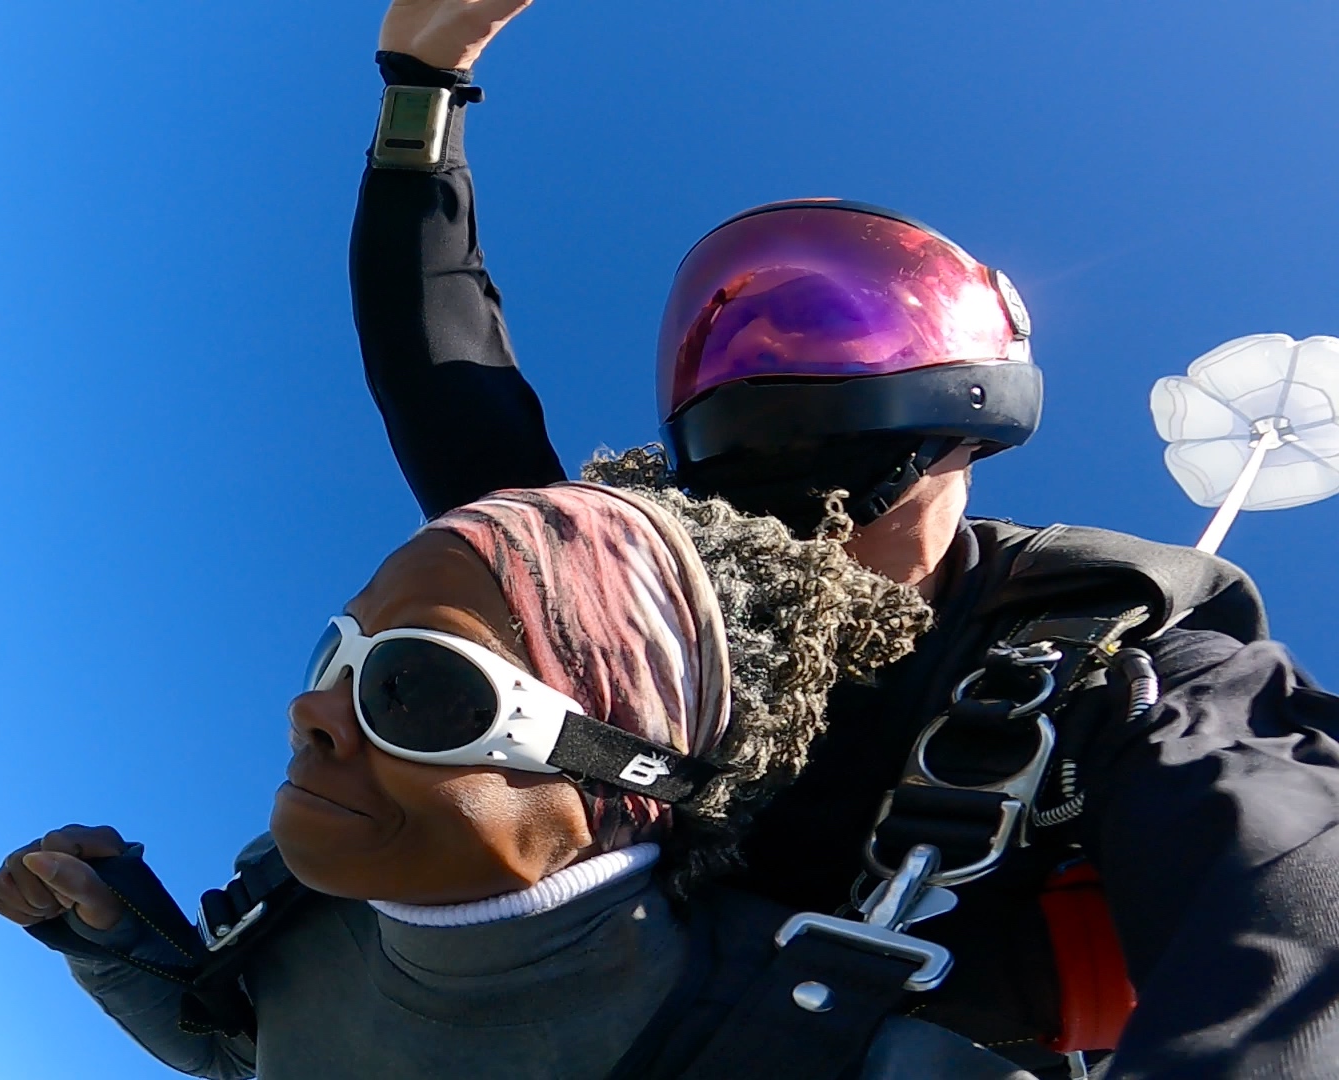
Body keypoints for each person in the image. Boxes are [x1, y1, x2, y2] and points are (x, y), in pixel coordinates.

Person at [350, 2, 1339, 1077]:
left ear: (977, 389)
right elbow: (447, 393)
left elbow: (1292, 919)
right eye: (741, 344)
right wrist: (423, 89)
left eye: (837, 329)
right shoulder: (652, 602)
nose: (782, 374)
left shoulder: (1117, 661)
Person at [0, 482, 1037, 1078]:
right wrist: (114, 941)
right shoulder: (308, 911)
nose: (313, 711)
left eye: (413, 686)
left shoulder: (803, 1048)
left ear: (621, 773)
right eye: (335, 657)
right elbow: (249, 1057)